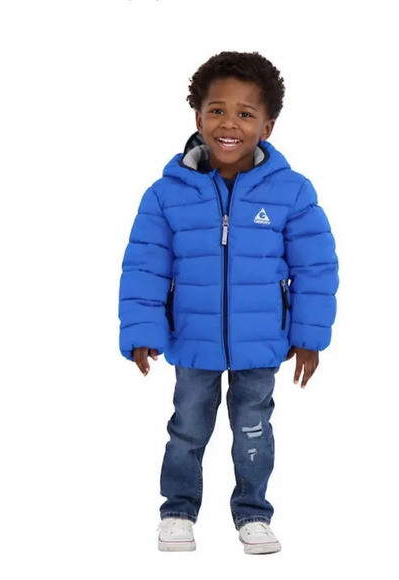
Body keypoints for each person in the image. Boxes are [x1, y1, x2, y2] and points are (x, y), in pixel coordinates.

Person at [118, 51, 339, 554]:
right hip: (192, 339)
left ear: (267, 126)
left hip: (261, 342)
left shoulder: (292, 192)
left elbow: (316, 268)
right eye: (217, 110)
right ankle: (178, 511)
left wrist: (308, 337)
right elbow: (145, 267)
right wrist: (143, 331)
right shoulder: (165, 194)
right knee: (187, 428)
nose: (229, 124)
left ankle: (254, 513)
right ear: (198, 118)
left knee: (253, 429)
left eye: (245, 113)